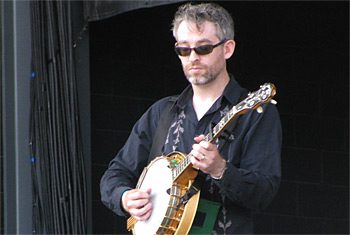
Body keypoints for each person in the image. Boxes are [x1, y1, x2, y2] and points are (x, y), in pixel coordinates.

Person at [100, 2, 282, 234]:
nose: (192, 57)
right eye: (184, 50)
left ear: (227, 49)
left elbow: (264, 192)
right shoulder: (161, 112)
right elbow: (115, 174)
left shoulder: (256, 113)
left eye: (203, 48)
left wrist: (220, 170)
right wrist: (125, 198)